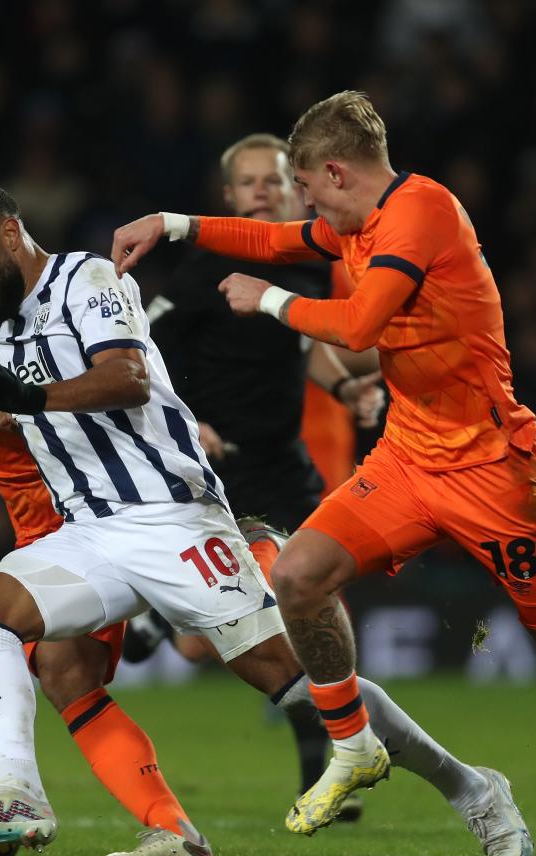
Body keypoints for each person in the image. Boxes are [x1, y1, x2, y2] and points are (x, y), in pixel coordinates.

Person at [111, 90, 536, 856]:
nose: (305, 205)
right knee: (301, 575)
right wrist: (175, 225)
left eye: (308, 187)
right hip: (408, 457)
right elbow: (277, 239)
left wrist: (268, 302)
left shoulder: (422, 213)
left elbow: (357, 328)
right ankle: (350, 743)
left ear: (335, 171)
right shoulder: (357, 218)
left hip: (493, 469)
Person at [0, 183, 533, 856]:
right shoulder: (2, 323)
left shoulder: (85, 277)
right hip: (89, 531)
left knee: (301, 684)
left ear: (9, 236)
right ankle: (20, 793)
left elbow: (125, 378)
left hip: (173, 518)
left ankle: (473, 788)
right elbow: (28, 423)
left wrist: (28, 396)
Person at [0, 185, 208, 856]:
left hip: (97, 511)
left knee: (259, 660)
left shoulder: (9, 310)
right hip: (39, 523)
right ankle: (169, 829)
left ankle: (29, 794)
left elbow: (40, 417)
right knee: (67, 676)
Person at [140, 132, 384, 804]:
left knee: (317, 595)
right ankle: (158, 617)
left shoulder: (309, 259)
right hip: (212, 474)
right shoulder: (204, 261)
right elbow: (141, 346)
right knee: (202, 648)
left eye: (273, 180)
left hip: (285, 463)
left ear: (294, 187)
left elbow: (300, 343)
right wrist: (185, 420)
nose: (261, 192)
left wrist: (346, 390)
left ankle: (336, 761)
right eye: (247, 183)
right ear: (227, 197)